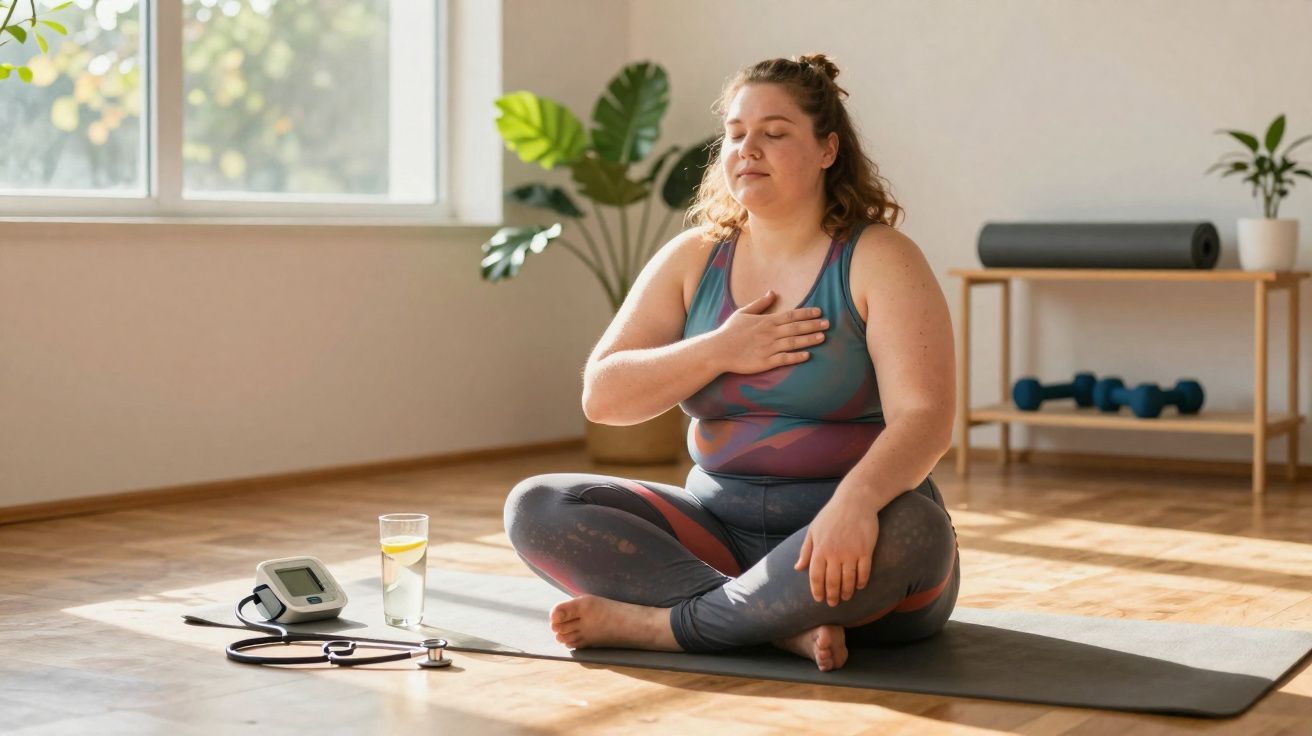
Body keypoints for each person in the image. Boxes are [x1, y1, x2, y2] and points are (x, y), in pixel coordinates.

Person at [503, 53, 959, 672]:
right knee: (538, 506)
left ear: (828, 150)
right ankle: (767, 624)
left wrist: (853, 506)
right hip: (717, 533)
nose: (749, 148)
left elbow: (925, 418)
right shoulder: (695, 256)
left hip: (845, 538)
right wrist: (721, 348)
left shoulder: (879, 257)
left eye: (774, 133)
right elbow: (603, 398)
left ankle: (672, 627)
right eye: (737, 134)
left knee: (916, 530)